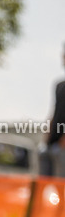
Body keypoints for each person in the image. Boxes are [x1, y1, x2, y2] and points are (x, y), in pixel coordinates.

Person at [41, 45, 65, 177]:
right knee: (43, 182)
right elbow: (54, 112)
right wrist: (46, 138)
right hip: (52, 144)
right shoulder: (59, 85)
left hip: (62, 148)